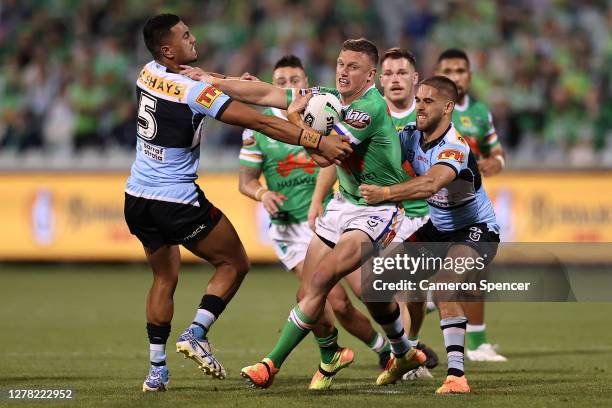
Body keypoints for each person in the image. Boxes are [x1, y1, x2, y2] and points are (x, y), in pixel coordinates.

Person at [124, 14, 351, 393]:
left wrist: (230, 84)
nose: (193, 38)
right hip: (175, 198)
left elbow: (201, 81)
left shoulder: (147, 73)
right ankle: (197, 332)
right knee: (234, 262)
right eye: (185, 36)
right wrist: (317, 140)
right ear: (167, 49)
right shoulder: (192, 91)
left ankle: (156, 371)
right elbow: (263, 122)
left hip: (137, 197)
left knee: (164, 278)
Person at [187, 38, 429, 390]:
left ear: (370, 75)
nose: (344, 72)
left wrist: (295, 116)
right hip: (344, 202)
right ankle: (397, 351)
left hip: (376, 208)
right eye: (341, 64)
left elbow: (321, 156)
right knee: (312, 294)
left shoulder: (368, 109)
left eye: (354, 67)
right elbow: (269, 95)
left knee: (325, 281)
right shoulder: (331, 96)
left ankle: (271, 364)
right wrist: (210, 80)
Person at [238, 54, 392, 370]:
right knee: (331, 299)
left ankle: (388, 348)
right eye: (281, 82)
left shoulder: (327, 112)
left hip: (328, 217)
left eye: (294, 81)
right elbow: (246, 181)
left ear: (305, 84)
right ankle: (364, 351)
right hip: (290, 229)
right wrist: (262, 193)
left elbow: (336, 158)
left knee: (362, 290)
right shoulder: (259, 128)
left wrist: (320, 199)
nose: (288, 86)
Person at [359, 75, 501, 394]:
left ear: (448, 107)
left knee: (443, 286)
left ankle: (456, 377)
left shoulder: (455, 148)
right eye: (418, 100)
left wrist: (385, 194)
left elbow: (429, 185)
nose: (419, 107)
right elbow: (376, 150)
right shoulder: (410, 136)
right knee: (374, 284)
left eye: (428, 101)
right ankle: (407, 352)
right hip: (437, 229)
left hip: (475, 230)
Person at [436, 48, 507, 362]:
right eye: (448, 70)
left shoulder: (479, 112)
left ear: (469, 75)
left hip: (470, 208)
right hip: (432, 206)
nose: (455, 76)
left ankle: (477, 343)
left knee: (478, 271)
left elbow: (497, 152)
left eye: (460, 70)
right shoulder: (425, 109)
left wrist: (496, 163)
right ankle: (405, 347)